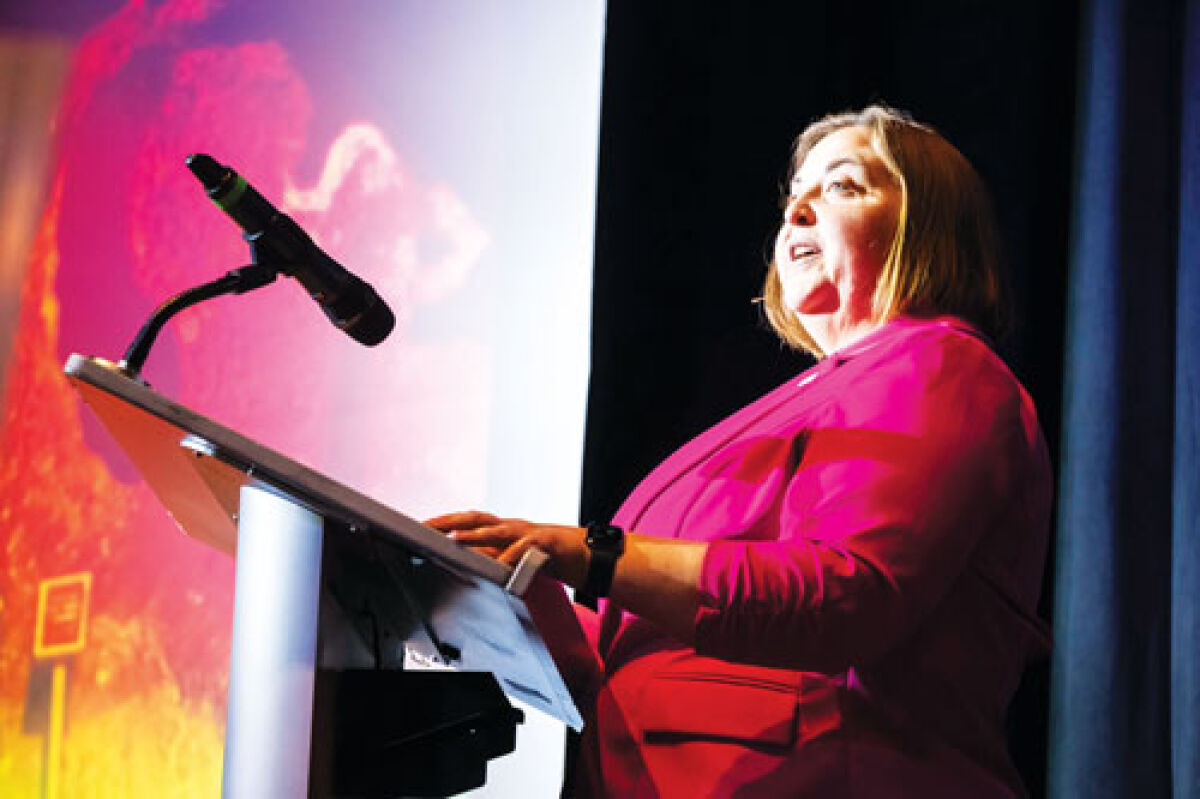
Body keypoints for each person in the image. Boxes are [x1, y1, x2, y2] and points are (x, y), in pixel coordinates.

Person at [428, 105, 1052, 797]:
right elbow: (632, 654)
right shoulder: (810, 395)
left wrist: (593, 553)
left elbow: (846, 590)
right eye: (794, 198)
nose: (800, 212)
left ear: (928, 225)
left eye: (843, 186)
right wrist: (501, 580)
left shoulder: (938, 363)